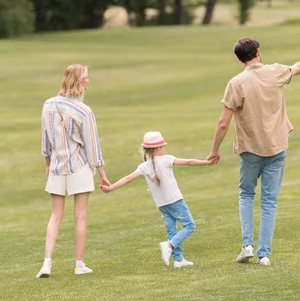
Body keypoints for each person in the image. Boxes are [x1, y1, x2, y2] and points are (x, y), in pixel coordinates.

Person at [207, 38, 300, 266]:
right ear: (258, 52)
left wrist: (214, 151)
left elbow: (223, 123)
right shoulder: (275, 72)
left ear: (239, 58)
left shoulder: (236, 83)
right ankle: (264, 255)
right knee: (269, 201)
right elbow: (299, 67)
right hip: (277, 145)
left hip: (251, 148)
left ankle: (247, 245)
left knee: (246, 194)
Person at [100, 131, 214, 268]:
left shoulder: (144, 166)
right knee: (190, 226)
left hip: (162, 205)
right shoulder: (166, 159)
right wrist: (207, 162)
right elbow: (189, 162)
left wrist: (110, 188)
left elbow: (127, 179)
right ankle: (170, 245)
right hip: (175, 201)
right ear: (159, 148)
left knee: (172, 231)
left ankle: (178, 260)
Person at [37, 64, 110, 278]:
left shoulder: (48, 105)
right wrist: (103, 174)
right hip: (78, 166)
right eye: (86, 78)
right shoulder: (84, 111)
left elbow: (45, 142)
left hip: (56, 167)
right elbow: (93, 147)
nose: (88, 81)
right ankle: (79, 265)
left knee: (55, 216)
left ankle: (46, 264)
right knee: (80, 217)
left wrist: (48, 165)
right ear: (79, 81)